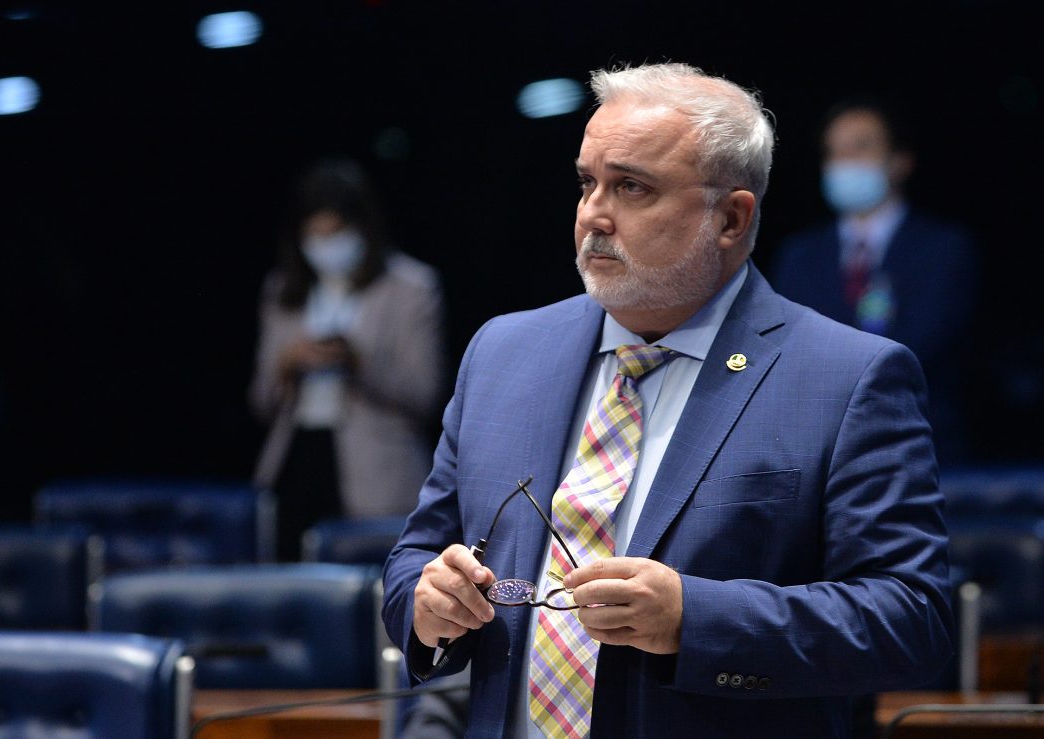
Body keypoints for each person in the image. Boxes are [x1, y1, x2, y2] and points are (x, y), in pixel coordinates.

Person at [382, 62, 953, 738]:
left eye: (631, 186)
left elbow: (912, 616)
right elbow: (414, 557)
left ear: (731, 218)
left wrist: (694, 619)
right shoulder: (503, 352)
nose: (594, 212)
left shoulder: (848, 376)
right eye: (587, 182)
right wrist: (426, 601)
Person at [249, 158, 447, 561]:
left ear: (362, 229)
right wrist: (288, 364)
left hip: (376, 469)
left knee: (374, 589)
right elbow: (260, 401)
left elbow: (425, 395)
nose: (326, 246)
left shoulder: (410, 288)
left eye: (336, 232)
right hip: (296, 460)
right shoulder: (283, 290)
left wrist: (358, 361)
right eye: (315, 234)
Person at [770, 97, 979, 466]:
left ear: (900, 160)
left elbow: (924, 344)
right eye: (834, 152)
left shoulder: (943, 248)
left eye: (860, 147)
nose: (844, 163)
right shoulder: (800, 256)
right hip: (821, 453)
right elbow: (786, 348)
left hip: (921, 448)